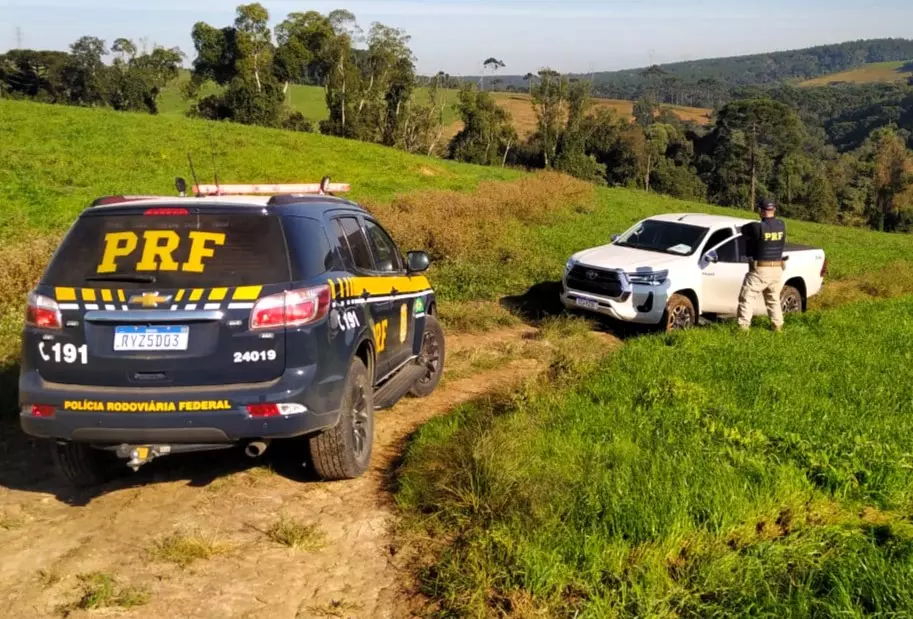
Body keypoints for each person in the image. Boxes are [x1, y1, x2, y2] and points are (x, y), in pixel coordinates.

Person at [738, 196, 787, 331]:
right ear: (774, 209)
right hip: (777, 269)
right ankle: (777, 327)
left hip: (761, 269)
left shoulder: (756, 227)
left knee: (747, 297)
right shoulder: (782, 225)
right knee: (773, 300)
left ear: (760, 210)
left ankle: (743, 328)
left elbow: (744, 230)